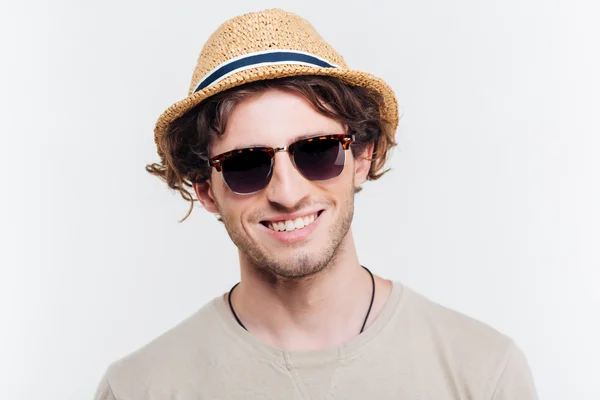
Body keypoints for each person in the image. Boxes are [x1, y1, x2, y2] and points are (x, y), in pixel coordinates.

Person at [94, 8, 537, 399]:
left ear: (361, 156)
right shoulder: (139, 389)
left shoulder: (483, 375)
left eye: (316, 150)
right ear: (206, 189)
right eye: (246, 163)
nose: (288, 194)